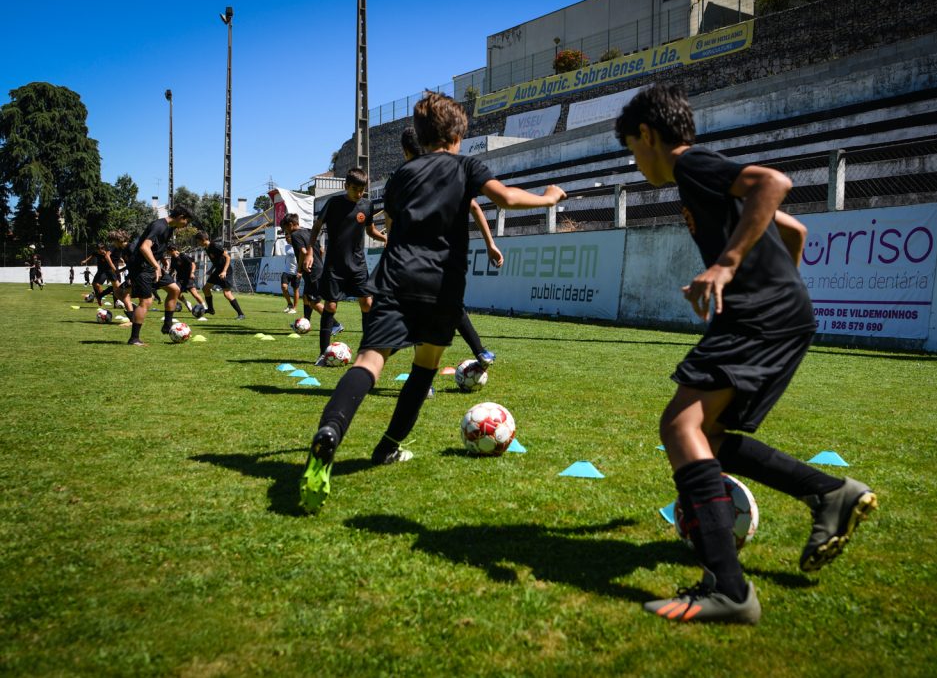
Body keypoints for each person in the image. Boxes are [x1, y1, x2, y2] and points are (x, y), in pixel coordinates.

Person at [614, 84, 878, 625]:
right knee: (705, 434)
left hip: (762, 316)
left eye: (632, 149)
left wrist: (729, 266)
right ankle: (830, 492)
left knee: (679, 426)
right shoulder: (706, 187)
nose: (637, 163)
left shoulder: (691, 164)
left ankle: (728, 590)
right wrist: (774, 288)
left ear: (647, 135)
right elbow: (795, 228)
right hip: (776, 315)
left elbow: (772, 182)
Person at [299, 91, 566, 514]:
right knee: (425, 365)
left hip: (395, 275)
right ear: (458, 133)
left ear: (420, 137)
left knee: (369, 361)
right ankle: (387, 448)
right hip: (441, 283)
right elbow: (507, 199)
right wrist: (550, 197)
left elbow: (392, 221)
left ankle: (330, 431)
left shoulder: (402, 177)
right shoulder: (467, 166)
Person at [399, 127, 498, 367]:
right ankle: (480, 352)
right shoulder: (447, 172)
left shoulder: (405, 178)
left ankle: (422, 379)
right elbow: (476, 207)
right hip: (448, 257)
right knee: (451, 306)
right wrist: (490, 244)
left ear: (405, 153)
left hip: (417, 259)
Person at [304, 167, 387, 365]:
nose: (359, 193)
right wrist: (309, 251)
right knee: (331, 305)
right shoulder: (334, 203)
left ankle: (366, 352)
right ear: (346, 186)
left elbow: (370, 230)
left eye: (362, 190)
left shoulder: (367, 205)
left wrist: (384, 237)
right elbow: (316, 227)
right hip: (335, 265)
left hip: (358, 264)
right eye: (355, 189)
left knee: (367, 303)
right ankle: (323, 354)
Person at [125, 206, 191, 345]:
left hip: (152, 266)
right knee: (147, 301)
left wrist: (161, 259)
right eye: (187, 221)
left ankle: (167, 325)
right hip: (141, 267)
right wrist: (156, 266)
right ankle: (134, 338)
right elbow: (144, 247)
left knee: (174, 290)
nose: (187, 225)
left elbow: (157, 246)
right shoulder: (159, 225)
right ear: (181, 217)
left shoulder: (170, 228)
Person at [281, 213, 339, 332]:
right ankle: (306, 322)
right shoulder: (307, 232)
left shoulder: (295, 235)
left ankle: (335, 324)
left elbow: (303, 252)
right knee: (307, 297)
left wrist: (300, 269)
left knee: (314, 302)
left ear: (291, 225)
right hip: (317, 268)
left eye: (285, 228)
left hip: (311, 270)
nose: (285, 231)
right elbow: (321, 250)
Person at [196, 231, 245, 319]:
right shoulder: (206, 248)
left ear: (202, 240)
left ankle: (241, 314)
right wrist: (211, 270)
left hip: (226, 271)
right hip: (217, 270)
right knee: (205, 289)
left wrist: (224, 271)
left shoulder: (214, 246)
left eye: (198, 241)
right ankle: (210, 309)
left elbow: (228, 257)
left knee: (227, 293)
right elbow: (216, 260)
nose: (198, 243)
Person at [168, 243, 206, 313]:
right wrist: (168, 276)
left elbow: (193, 264)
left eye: (168, 251)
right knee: (176, 292)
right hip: (180, 279)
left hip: (188, 277)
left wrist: (192, 273)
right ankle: (187, 303)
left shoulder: (183, 256)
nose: (168, 253)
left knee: (194, 293)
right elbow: (172, 269)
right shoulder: (172, 258)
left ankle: (205, 307)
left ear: (173, 250)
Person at [280, 236, 300, 314]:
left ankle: (294, 308)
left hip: (296, 272)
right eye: (285, 238)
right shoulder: (286, 247)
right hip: (287, 271)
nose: (286, 239)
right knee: (283, 287)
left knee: (296, 290)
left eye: (287, 238)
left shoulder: (298, 246)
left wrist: (300, 270)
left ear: (292, 238)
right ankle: (289, 304)